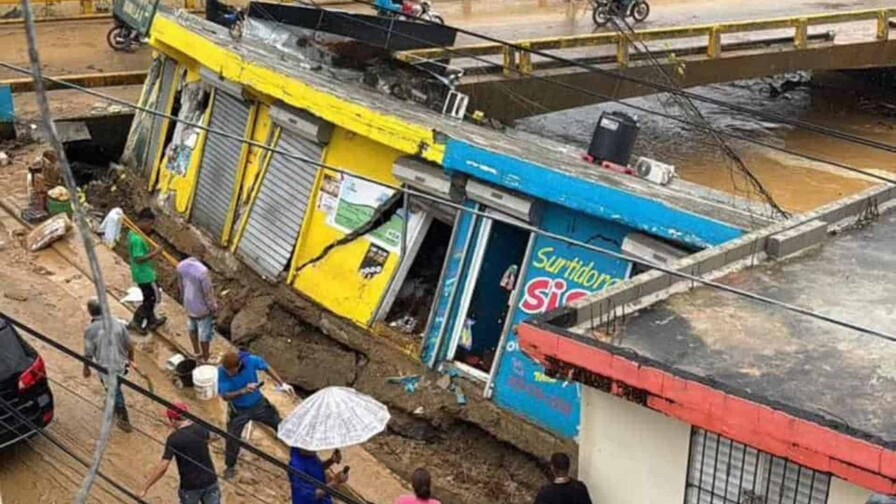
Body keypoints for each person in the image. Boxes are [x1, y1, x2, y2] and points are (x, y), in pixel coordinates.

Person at [218, 350, 295, 480]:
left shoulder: (251, 361)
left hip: (259, 404)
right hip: (239, 410)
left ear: (239, 365)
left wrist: (282, 384)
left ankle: (297, 449)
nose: (229, 373)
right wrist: (243, 391)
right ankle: (230, 466)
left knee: (280, 425)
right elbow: (225, 396)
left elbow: (266, 366)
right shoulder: (222, 372)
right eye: (227, 371)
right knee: (232, 439)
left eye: (231, 371)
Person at [140, 403, 221, 504]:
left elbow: (163, 467)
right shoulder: (200, 428)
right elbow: (217, 436)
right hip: (211, 481)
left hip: (190, 486)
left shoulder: (174, 439)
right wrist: (202, 442)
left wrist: (145, 487)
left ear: (173, 420)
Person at [82, 299, 135, 433]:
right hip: (122, 365)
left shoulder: (90, 330)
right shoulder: (117, 324)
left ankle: (124, 419)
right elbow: (130, 345)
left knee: (115, 391)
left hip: (106, 368)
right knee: (116, 387)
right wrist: (131, 360)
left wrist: (86, 368)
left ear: (90, 312)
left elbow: (88, 354)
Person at [128, 207, 167, 334]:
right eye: (150, 224)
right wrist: (156, 253)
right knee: (152, 299)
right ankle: (136, 321)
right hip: (145, 274)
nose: (151, 227)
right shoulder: (137, 239)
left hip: (140, 272)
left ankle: (151, 321)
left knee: (149, 297)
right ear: (144, 221)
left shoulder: (134, 232)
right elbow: (138, 258)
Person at [177, 257, 218, 363]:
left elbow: (181, 287)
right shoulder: (203, 274)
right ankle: (206, 358)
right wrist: (213, 308)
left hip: (188, 304)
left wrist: (183, 300)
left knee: (192, 328)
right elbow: (208, 294)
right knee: (204, 334)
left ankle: (196, 352)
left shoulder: (181, 266)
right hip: (201, 309)